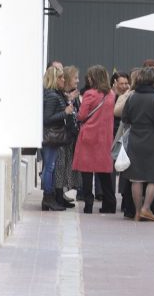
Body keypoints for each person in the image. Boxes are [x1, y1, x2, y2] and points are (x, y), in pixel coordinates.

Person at [122, 67, 154, 221]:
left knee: (136, 177)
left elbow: (125, 118)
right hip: (153, 140)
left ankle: (136, 212)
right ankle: (146, 208)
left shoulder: (132, 97)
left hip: (135, 139)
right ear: (153, 81)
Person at [72, 65, 117, 214]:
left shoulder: (90, 94)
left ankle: (88, 203)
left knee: (86, 172)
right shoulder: (111, 94)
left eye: (90, 77)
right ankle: (110, 203)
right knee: (104, 172)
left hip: (89, 137)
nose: (88, 79)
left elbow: (82, 115)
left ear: (94, 78)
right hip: (104, 138)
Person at [41, 66, 74, 211]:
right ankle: (48, 197)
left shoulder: (55, 94)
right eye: (61, 77)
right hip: (51, 136)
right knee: (49, 167)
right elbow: (47, 119)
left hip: (54, 137)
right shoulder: (52, 96)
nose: (63, 80)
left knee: (51, 167)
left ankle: (50, 197)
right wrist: (65, 112)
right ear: (55, 79)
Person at [53, 65, 82, 208]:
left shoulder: (72, 95)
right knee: (60, 165)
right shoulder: (60, 95)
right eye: (75, 78)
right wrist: (69, 100)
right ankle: (57, 195)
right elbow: (61, 112)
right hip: (60, 136)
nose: (77, 81)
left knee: (66, 166)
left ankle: (62, 193)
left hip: (69, 136)